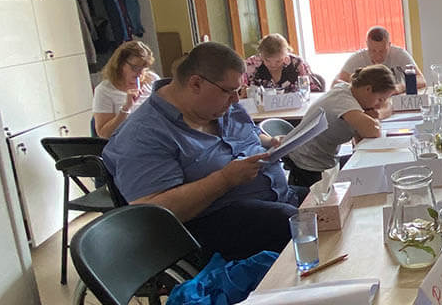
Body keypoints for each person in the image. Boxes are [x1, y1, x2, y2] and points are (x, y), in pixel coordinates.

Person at [102, 41, 307, 261]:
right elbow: (153, 212)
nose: (235, 99)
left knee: (325, 201)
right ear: (196, 84)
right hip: (209, 229)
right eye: (229, 91)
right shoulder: (142, 134)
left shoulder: (221, 105)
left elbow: (250, 133)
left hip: (279, 198)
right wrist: (225, 179)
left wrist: (269, 142)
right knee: (299, 224)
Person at [285, 65, 400, 188]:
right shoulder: (343, 101)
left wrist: (375, 114)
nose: (379, 105)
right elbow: (372, 130)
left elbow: (362, 134)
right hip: (308, 164)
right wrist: (376, 116)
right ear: (368, 89)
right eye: (380, 99)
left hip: (322, 159)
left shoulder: (347, 90)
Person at [92, 40, 158, 138]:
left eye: (144, 67)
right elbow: (104, 134)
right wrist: (126, 108)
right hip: (126, 140)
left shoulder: (152, 79)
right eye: (135, 68)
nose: (140, 73)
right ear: (120, 64)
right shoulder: (104, 90)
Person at [336, 26, 424, 88]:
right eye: (373, 51)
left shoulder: (399, 54)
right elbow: (337, 83)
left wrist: (400, 87)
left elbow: (421, 80)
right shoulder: (358, 58)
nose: (378, 56)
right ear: (367, 45)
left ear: (389, 45)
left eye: (382, 51)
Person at [241, 33, 321, 93]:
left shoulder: (297, 63)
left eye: (278, 61)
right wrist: (244, 91)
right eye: (267, 60)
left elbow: (314, 90)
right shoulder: (251, 64)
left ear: (286, 54)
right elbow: (240, 90)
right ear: (261, 55)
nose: (273, 65)